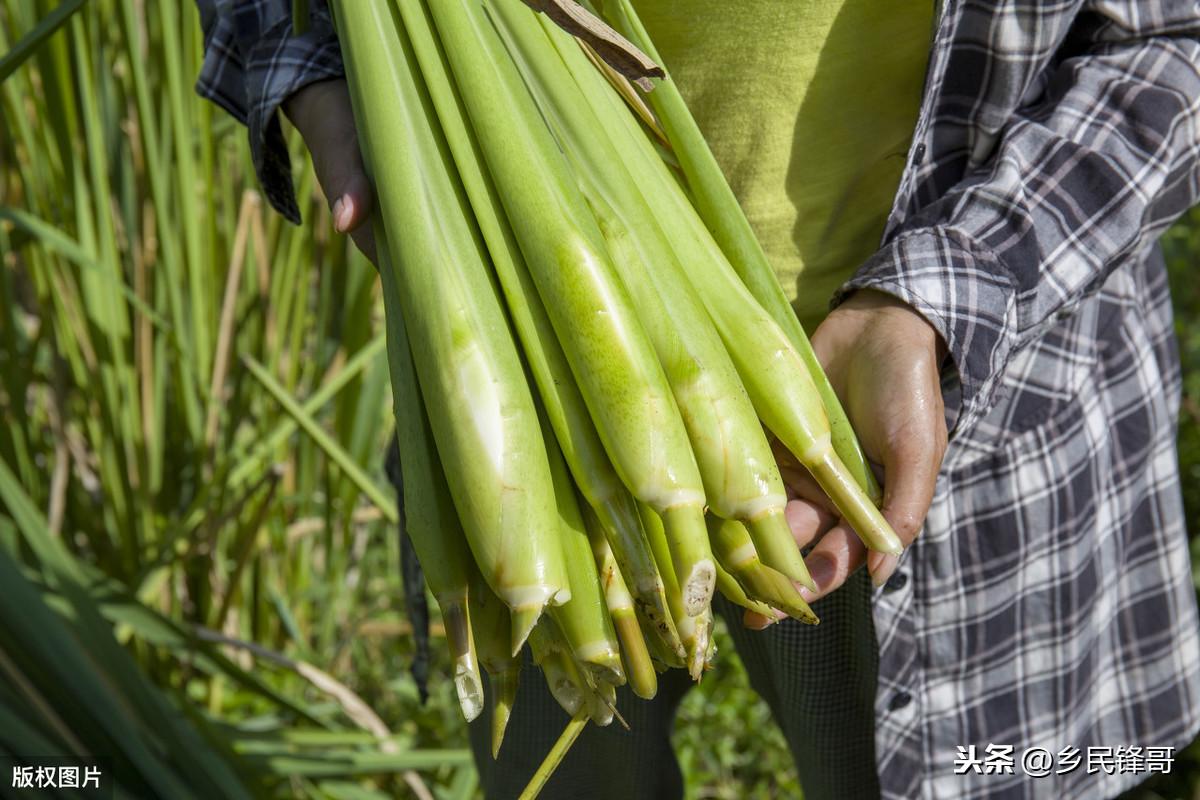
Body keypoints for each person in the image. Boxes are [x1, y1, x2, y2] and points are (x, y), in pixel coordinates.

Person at [196, 0, 1200, 797]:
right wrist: (314, 75)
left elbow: (1173, 41)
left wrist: (938, 298)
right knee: (570, 740)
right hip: (523, 404)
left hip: (940, 423)